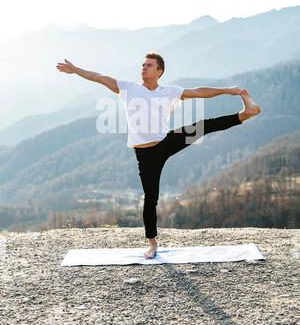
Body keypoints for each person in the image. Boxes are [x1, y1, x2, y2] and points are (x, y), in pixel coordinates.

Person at [56, 52, 261, 259]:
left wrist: (227, 90)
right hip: (145, 154)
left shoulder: (169, 91)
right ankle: (152, 243)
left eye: (149, 65)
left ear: (159, 72)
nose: (143, 68)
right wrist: (76, 70)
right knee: (150, 198)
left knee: (203, 126)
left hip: (166, 142)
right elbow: (99, 77)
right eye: (143, 65)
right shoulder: (128, 88)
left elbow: (199, 92)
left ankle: (245, 113)